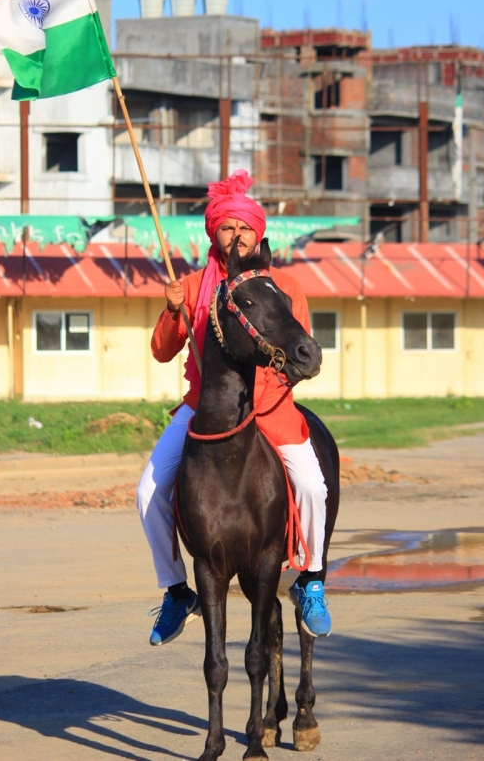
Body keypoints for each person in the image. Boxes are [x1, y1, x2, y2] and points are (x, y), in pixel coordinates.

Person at [136, 169, 331, 646]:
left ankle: (311, 581)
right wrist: (170, 310)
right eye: (228, 228)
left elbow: (295, 358)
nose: (237, 236)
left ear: (258, 233)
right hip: (202, 408)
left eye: (245, 228)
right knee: (147, 492)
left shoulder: (283, 287)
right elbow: (163, 351)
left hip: (271, 406)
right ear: (214, 234)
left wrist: (256, 405)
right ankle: (177, 590)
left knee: (311, 484)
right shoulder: (192, 286)